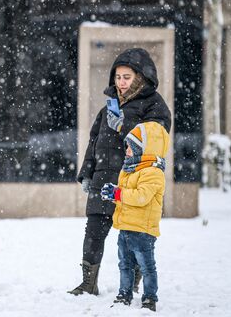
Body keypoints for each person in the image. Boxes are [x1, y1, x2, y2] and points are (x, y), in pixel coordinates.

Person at [69, 48, 171, 296]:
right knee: (94, 230)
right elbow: (94, 143)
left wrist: (124, 125)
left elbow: (156, 139)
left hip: (135, 179)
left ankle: (134, 282)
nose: (121, 82)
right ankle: (88, 282)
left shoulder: (154, 105)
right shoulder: (108, 109)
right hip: (104, 177)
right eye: (117, 77)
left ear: (139, 77)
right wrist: (86, 174)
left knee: (133, 235)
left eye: (126, 77)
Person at [100, 121, 169, 312]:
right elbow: (125, 195)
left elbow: (141, 197)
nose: (127, 149)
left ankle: (149, 297)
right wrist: (113, 193)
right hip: (126, 227)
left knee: (147, 267)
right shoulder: (130, 168)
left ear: (143, 149)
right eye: (127, 145)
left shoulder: (153, 172)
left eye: (132, 146)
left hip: (143, 230)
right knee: (125, 265)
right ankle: (124, 294)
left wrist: (118, 194)